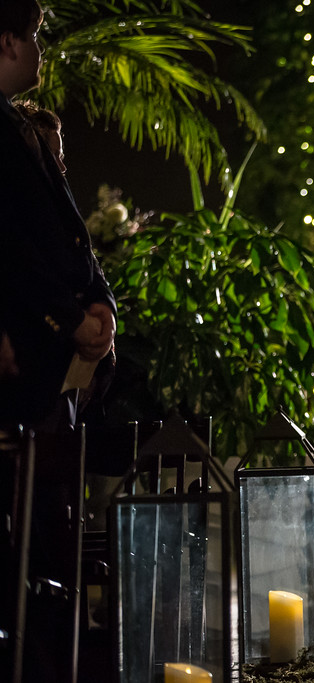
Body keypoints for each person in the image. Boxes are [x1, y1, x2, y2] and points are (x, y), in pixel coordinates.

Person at [1, 3, 116, 682]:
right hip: (27, 364)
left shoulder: (22, 128)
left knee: (53, 540)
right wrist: (66, 318)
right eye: (37, 39)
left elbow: (70, 238)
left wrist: (101, 303)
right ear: (9, 38)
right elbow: (16, 248)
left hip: (56, 380)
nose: (42, 54)